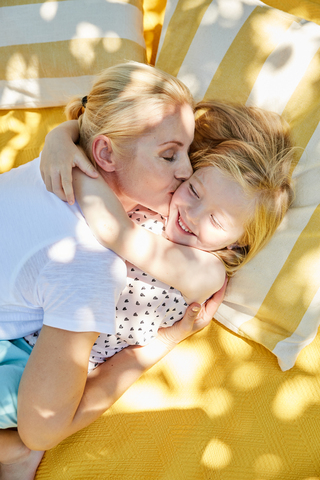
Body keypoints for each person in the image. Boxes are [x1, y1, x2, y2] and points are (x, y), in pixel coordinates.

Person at [0, 62, 226, 480]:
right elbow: (42, 425)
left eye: (187, 153)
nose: (186, 171)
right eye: (169, 154)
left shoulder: (51, 167)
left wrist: (61, 135)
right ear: (104, 153)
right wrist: (160, 344)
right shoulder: (85, 261)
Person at [40, 99, 295, 371]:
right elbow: (113, 143)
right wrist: (63, 135)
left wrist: (69, 157)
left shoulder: (208, 271)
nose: (192, 213)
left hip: (60, 358)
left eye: (216, 220)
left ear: (239, 241)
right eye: (195, 191)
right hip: (30, 305)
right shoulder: (159, 202)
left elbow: (113, 230)